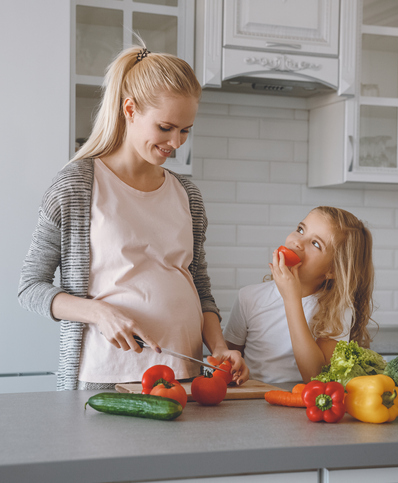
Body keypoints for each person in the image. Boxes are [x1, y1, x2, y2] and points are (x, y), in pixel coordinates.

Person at [18, 45, 248, 391]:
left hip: (185, 373)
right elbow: (30, 288)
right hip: (106, 377)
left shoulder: (187, 195)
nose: (176, 142)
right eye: (166, 127)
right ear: (130, 109)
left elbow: (200, 288)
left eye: (185, 130)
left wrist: (219, 347)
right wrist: (98, 313)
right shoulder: (77, 185)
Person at [223, 206, 375, 384]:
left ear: (332, 270)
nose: (298, 242)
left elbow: (316, 377)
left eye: (316, 244)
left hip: (302, 406)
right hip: (252, 403)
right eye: (301, 230)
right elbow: (227, 362)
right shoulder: (248, 298)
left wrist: (291, 299)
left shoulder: (337, 310)